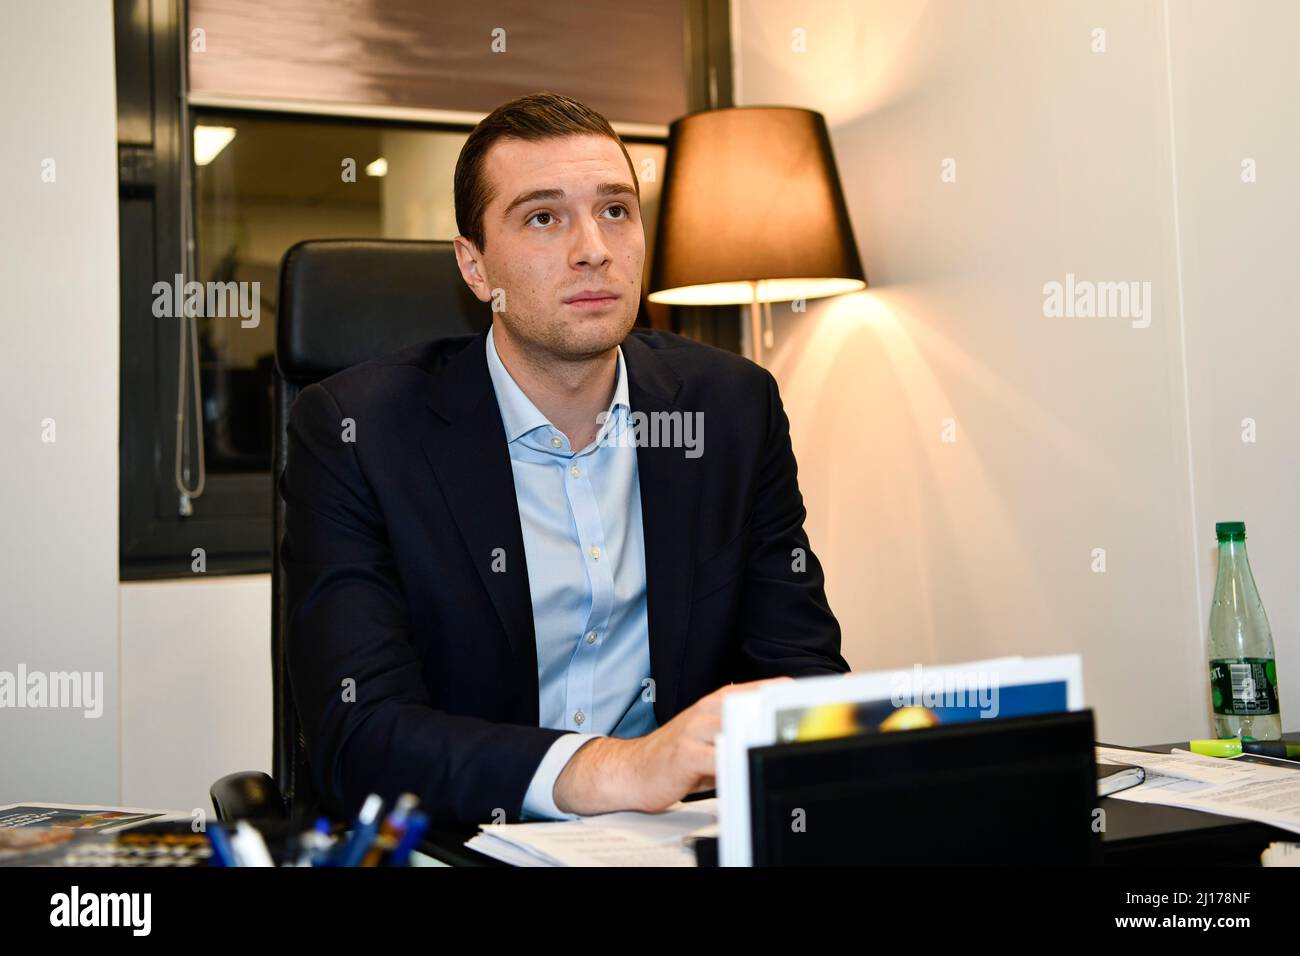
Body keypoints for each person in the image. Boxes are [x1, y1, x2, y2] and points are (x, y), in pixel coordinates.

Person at [282, 91, 847, 825]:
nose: (594, 248)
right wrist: (619, 769)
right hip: (471, 837)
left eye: (616, 209)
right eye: (543, 217)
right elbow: (357, 733)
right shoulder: (359, 432)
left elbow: (800, 673)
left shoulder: (732, 409)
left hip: (676, 837)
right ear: (476, 268)